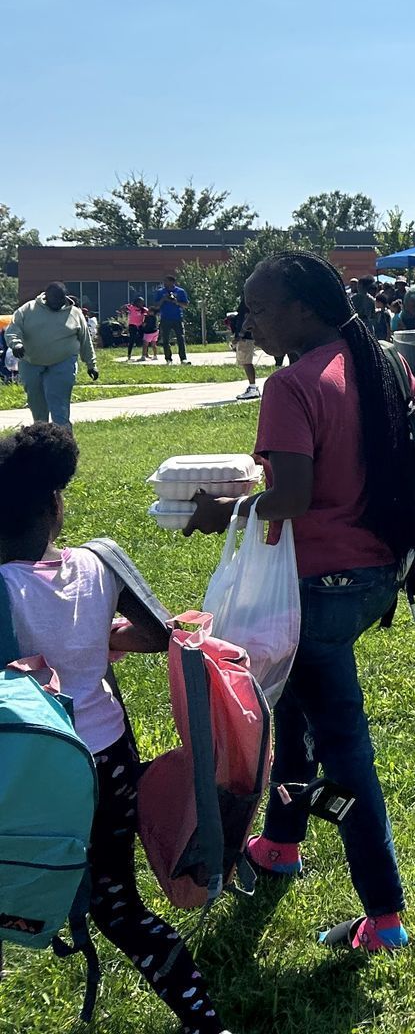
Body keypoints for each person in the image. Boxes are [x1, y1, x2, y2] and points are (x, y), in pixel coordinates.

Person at [182, 249, 415, 955]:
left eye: (258, 306)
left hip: (314, 588)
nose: (248, 318)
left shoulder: (291, 386)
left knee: (344, 752)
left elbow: (289, 498)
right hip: (376, 576)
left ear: (303, 311)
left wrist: (217, 511)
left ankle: (385, 916)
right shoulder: (383, 362)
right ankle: (280, 844)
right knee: (291, 711)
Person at [0, 424, 232, 1032]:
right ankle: (201, 1015)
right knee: (117, 901)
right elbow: (164, 634)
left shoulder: (3, 587)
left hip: (34, 772)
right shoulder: (99, 560)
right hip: (108, 755)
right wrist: (98, 642)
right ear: (55, 504)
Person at [6, 282, 100, 427]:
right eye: (53, 299)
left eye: (59, 299)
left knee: (59, 404)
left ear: (65, 297)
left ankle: (63, 441)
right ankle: (41, 436)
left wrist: (91, 364)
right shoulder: (28, 309)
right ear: (46, 296)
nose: (56, 302)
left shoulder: (75, 313)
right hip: (31, 362)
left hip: (63, 362)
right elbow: (13, 328)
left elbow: (85, 340)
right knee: (36, 404)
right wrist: (16, 344)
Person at [153, 273, 190, 364]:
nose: (164, 283)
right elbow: (156, 306)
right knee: (165, 339)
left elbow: (185, 305)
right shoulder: (160, 292)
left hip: (177, 317)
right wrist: (164, 299)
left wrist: (176, 302)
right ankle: (168, 359)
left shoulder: (180, 291)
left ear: (172, 282)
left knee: (180, 338)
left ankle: (183, 358)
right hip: (165, 318)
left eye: (166, 281)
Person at [233, 296, 264, 400]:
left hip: (245, 337)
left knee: (246, 362)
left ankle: (253, 388)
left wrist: (240, 335)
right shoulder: (249, 302)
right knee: (245, 362)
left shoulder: (246, 303)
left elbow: (245, 318)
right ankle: (252, 387)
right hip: (245, 336)